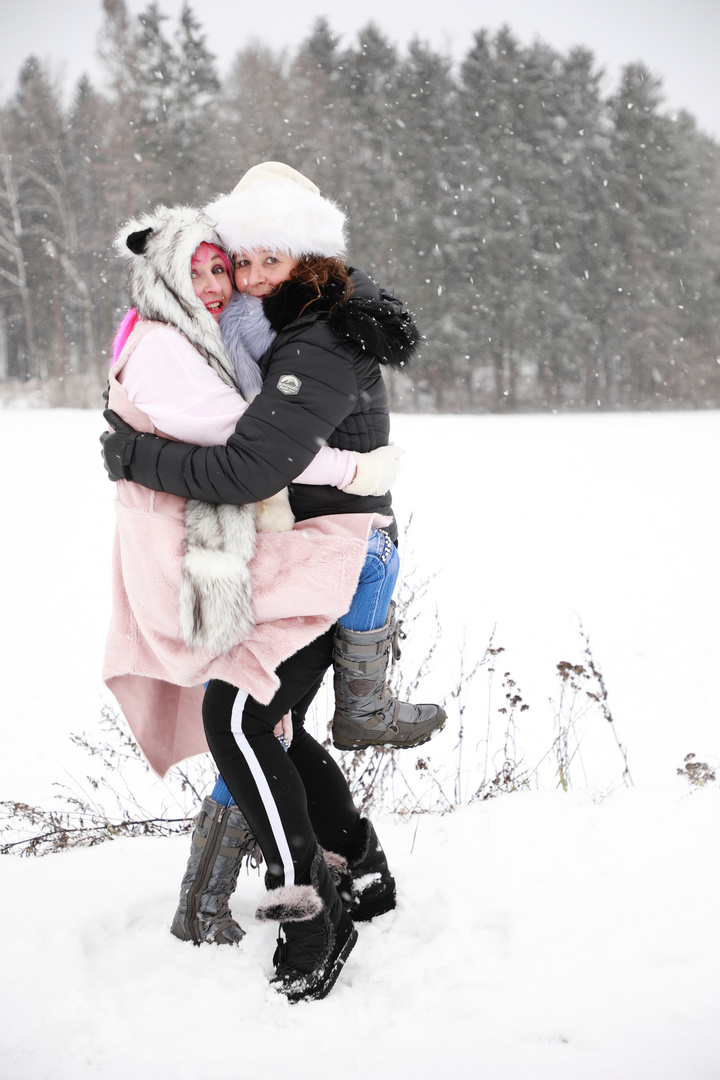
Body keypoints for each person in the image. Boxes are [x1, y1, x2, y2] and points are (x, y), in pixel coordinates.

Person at [102, 162, 446, 1001]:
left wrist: (133, 455)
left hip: (336, 545)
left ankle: (311, 911)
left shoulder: (324, 336)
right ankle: (362, 871)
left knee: (239, 714)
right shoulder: (280, 325)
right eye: (236, 262)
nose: (247, 280)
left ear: (309, 256)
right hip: (313, 543)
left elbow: (253, 462)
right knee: (268, 720)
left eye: (264, 262)